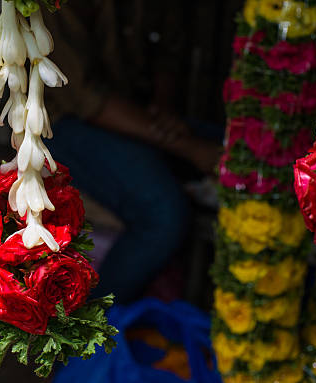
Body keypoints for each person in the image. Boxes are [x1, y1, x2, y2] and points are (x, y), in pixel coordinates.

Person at [43, 1, 222, 303]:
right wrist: (187, 147)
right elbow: (87, 100)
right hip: (61, 123)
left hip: (133, 113)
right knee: (164, 215)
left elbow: (167, 48)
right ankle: (95, 328)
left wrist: (162, 113)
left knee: (233, 147)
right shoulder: (47, 10)